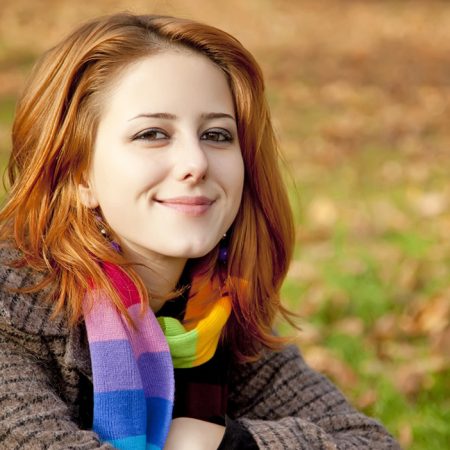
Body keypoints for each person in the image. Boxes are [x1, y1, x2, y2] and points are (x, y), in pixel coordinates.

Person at [0, 12, 400, 450]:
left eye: (216, 134)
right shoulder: (13, 305)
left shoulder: (212, 314)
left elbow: (369, 442)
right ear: (78, 174)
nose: (197, 163)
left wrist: (222, 443)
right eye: (153, 133)